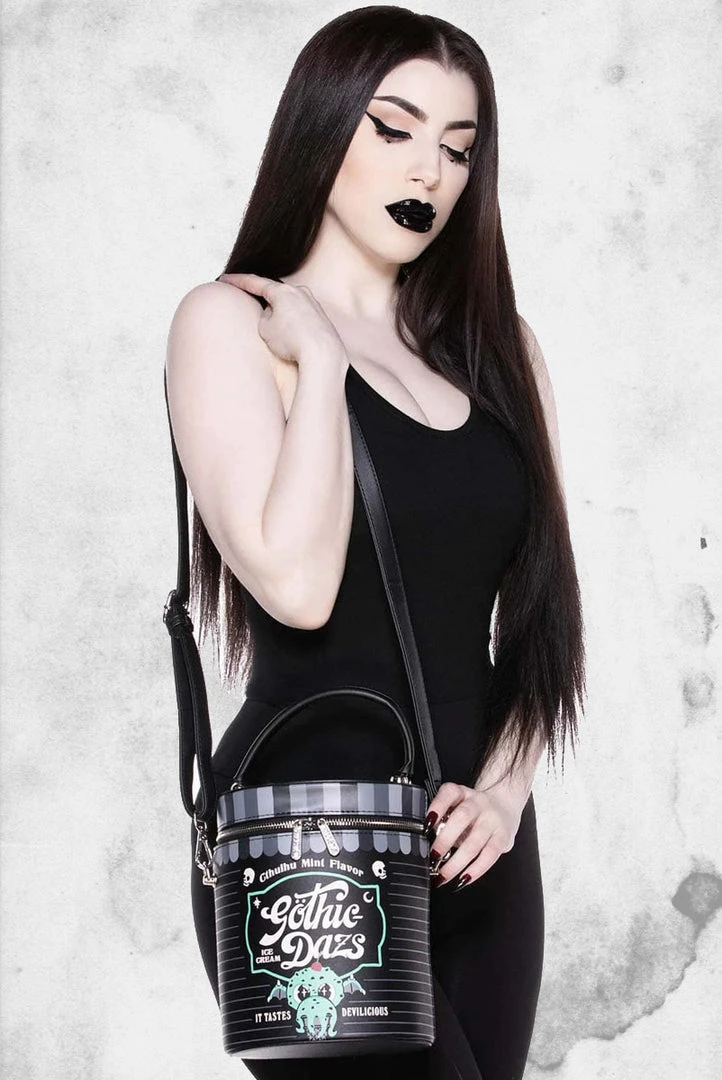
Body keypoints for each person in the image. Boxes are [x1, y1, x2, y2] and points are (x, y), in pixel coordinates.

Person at [165, 7, 585, 1079]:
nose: (427, 171)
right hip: (306, 842)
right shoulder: (231, 324)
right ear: (322, 126)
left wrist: (504, 794)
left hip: (479, 838)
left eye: (457, 147)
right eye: (393, 129)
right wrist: (320, 365)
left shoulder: (500, 351)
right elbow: (297, 587)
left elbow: (536, 619)